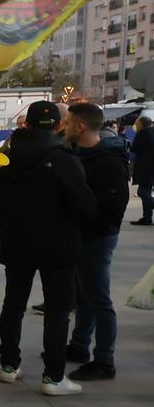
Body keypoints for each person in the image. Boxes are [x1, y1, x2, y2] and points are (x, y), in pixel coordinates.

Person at [0, 101, 96, 396]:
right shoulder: (64, 159)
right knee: (58, 310)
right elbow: (85, 205)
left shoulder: (4, 159)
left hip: (16, 244)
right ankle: (54, 375)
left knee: (13, 304)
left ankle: (9, 365)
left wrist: (7, 229)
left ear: (26, 124)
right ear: (59, 126)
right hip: (58, 246)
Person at [63, 103, 129, 381]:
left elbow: (112, 209)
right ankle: (79, 346)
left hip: (97, 239)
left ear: (80, 126)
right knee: (84, 296)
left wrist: (85, 225)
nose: (63, 126)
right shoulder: (77, 155)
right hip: (81, 238)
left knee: (98, 298)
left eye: (67, 122)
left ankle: (104, 360)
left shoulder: (108, 162)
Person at [132, 116, 153, 226]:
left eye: (137, 123)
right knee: (147, 191)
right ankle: (147, 218)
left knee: (142, 192)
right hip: (151, 167)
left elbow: (134, 148)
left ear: (141, 124)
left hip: (145, 167)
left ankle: (148, 216)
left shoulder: (143, 133)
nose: (135, 125)